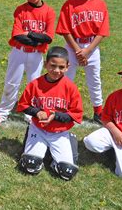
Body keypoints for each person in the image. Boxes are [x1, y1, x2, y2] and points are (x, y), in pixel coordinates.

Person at [0, 0, 56, 128]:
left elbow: (48, 37)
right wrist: (36, 38)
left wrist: (29, 34)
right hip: (18, 53)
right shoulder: (21, 10)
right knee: (11, 82)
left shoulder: (49, 12)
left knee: (34, 84)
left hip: (36, 55)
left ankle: (30, 112)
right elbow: (17, 35)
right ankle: (2, 112)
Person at [16, 46, 83, 181]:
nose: (56, 70)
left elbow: (75, 114)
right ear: (46, 64)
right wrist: (36, 112)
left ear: (67, 67)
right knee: (30, 165)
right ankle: (38, 144)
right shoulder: (35, 84)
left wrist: (55, 116)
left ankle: (69, 141)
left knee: (66, 172)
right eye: (52, 66)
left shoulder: (70, 88)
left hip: (59, 132)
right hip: (39, 129)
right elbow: (23, 105)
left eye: (61, 67)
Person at [56, 0, 109, 125]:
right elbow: (65, 30)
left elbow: (102, 32)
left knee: (94, 80)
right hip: (73, 48)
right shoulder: (69, 4)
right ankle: (62, 108)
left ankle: (98, 111)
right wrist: (78, 50)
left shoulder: (101, 4)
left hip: (92, 48)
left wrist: (87, 51)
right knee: (65, 79)